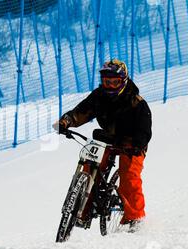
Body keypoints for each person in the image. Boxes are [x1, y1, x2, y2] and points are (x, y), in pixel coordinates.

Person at [53, 59, 152, 232]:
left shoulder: (137, 103)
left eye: (115, 82)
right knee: (89, 163)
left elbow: (144, 130)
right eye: (107, 82)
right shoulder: (99, 96)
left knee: (128, 175)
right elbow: (82, 111)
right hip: (109, 137)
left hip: (132, 142)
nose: (110, 86)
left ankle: (136, 219)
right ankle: (81, 209)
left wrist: (137, 145)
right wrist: (67, 121)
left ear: (124, 81)